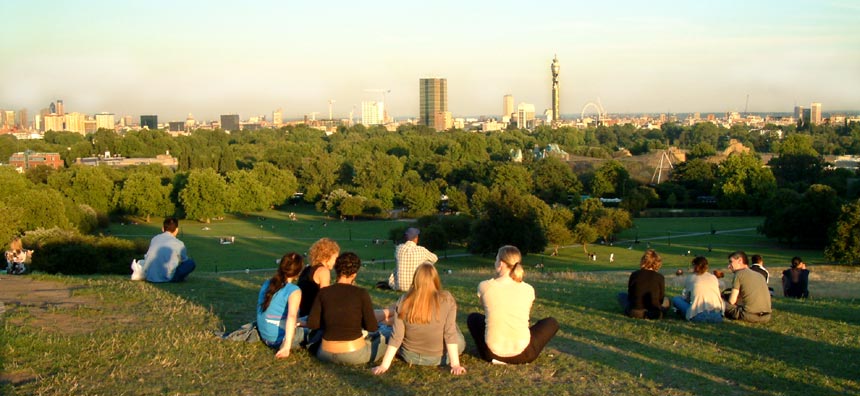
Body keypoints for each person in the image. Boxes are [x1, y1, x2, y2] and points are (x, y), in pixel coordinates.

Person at [467, 245, 559, 364]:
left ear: (500, 263)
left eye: (496, 260)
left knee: (474, 318)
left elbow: (486, 308)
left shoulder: (484, 286)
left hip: (490, 354)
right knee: (551, 322)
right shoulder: (528, 289)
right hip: (525, 355)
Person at [371, 263, 466, 376]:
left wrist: (384, 365)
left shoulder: (404, 300)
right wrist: (455, 364)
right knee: (454, 328)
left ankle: (385, 323)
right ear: (435, 279)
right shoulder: (447, 299)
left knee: (395, 329)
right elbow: (449, 333)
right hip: (440, 357)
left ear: (416, 280)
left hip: (410, 356)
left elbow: (397, 336)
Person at [307, 252, 386, 365]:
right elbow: (372, 326)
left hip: (324, 353)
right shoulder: (361, 293)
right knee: (385, 336)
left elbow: (312, 324)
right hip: (354, 353)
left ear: (336, 270)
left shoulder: (323, 293)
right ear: (354, 274)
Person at [256, 252, 308, 359]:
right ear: (298, 272)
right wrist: (286, 346)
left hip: (265, 334)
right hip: (277, 339)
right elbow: (292, 317)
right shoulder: (294, 291)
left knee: (308, 319)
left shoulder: (267, 284)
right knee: (317, 330)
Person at [618, 249, 669, 319]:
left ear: (643, 261)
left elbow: (630, 295)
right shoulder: (660, 277)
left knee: (621, 295)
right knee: (667, 300)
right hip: (655, 313)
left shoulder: (634, 274)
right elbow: (661, 298)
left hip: (635, 312)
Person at [671, 256, 724, 323]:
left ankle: (683, 313)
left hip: (698, 316)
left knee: (676, 299)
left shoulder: (691, 278)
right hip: (717, 316)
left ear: (694, 266)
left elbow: (687, 298)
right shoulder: (713, 277)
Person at [296, 238, 340, 318]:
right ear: (328, 256)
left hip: (302, 313)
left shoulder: (307, 269)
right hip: (313, 316)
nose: (335, 262)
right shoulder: (323, 271)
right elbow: (326, 298)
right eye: (335, 258)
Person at [142, 217, 195, 282]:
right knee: (190, 263)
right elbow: (184, 260)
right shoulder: (179, 243)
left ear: (163, 229)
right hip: (168, 277)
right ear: (177, 230)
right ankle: (179, 278)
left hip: (150, 276)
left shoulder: (154, 239)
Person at [724, 251, 771, 323]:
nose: (729, 266)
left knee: (719, 301)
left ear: (739, 260)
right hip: (766, 317)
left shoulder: (739, 274)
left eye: (731, 262)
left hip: (748, 315)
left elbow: (732, 301)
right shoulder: (760, 276)